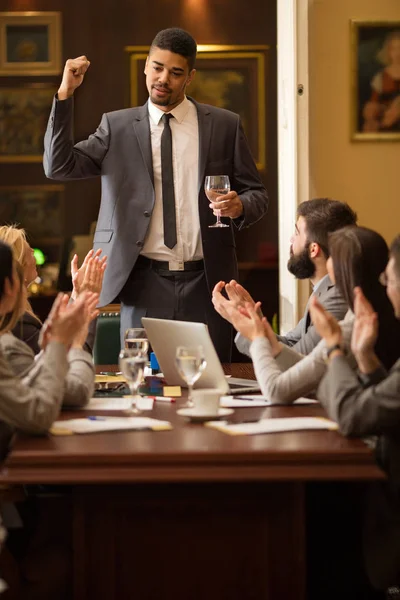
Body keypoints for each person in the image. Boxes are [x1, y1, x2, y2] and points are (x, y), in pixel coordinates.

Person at [43, 27, 268, 361]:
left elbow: (257, 194)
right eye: (158, 68)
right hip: (142, 280)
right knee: (143, 386)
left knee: (213, 382)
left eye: (176, 73)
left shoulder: (224, 125)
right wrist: (65, 93)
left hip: (208, 284)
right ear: (146, 66)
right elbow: (58, 166)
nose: (164, 79)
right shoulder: (116, 128)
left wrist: (240, 206)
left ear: (190, 76)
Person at [214, 226, 400, 404]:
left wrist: (257, 338)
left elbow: (276, 390)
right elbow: (311, 367)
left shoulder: (352, 326)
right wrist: (270, 342)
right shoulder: (374, 312)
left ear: (343, 270)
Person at [309, 234, 400, 593]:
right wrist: (365, 359)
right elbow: (386, 402)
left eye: (390, 278)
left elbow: (350, 414)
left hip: (389, 518)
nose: (385, 285)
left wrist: (334, 347)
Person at [213, 198, 357, 356]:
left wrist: (241, 322)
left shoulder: (336, 297)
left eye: (297, 233)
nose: (291, 239)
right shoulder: (324, 289)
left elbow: (296, 362)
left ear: (313, 249)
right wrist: (254, 321)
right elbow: (291, 344)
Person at [0, 240, 98, 434]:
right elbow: (39, 413)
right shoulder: (9, 342)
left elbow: (20, 387)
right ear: (9, 286)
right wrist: (61, 343)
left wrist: (48, 352)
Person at [0, 225, 106, 355]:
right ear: (19, 264)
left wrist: (77, 293)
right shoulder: (19, 323)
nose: (33, 251)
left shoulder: (16, 317)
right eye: (28, 249)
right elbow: (71, 360)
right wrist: (88, 296)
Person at [362, 30, 400, 133]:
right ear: (388, 51)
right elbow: (374, 103)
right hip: (385, 120)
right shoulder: (381, 77)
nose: (398, 53)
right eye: (394, 49)